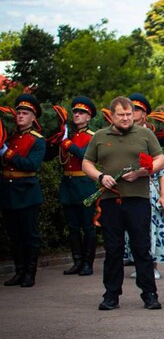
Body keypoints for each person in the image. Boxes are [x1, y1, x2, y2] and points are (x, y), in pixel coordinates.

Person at [82, 96, 164, 310]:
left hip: (138, 199)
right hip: (111, 200)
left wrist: (143, 172)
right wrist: (100, 177)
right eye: (121, 115)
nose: (126, 118)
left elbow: (160, 159)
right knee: (113, 249)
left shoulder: (145, 134)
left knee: (141, 247)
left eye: (129, 114)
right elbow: (86, 163)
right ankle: (111, 295)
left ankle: (149, 294)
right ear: (112, 115)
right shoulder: (100, 136)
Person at [1, 94, 47, 288]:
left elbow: (31, 165)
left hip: (26, 192)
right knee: (14, 235)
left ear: (33, 117)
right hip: (8, 190)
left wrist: (7, 153)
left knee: (29, 235)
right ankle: (19, 271)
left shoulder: (37, 140)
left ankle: (30, 273)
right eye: (18, 112)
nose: (20, 116)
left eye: (25, 113)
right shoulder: (9, 137)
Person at [124, 93, 164, 279]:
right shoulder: (121, 134)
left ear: (144, 114)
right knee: (132, 227)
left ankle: (153, 266)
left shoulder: (150, 135)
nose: (133, 113)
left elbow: (162, 168)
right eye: (131, 109)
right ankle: (138, 263)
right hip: (128, 186)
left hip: (149, 187)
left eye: (138, 109)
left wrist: (163, 195)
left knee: (152, 226)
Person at [59, 96, 99, 277]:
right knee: (73, 226)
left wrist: (67, 143)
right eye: (75, 111)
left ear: (89, 117)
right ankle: (77, 261)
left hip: (85, 185)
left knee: (88, 226)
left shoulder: (92, 137)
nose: (77, 114)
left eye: (81, 112)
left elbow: (84, 155)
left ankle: (88, 263)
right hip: (69, 185)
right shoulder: (71, 135)